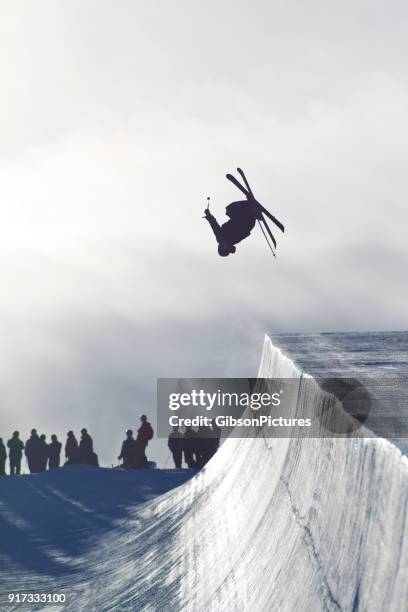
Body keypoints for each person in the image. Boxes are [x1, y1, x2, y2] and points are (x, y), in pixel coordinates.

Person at [204, 169, 284, 257]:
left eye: (220, 246)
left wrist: (209, 216)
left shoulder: (220, 237)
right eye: (223, 247)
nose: (222, 245)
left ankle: (250, 207)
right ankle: (252, 210)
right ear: (227, 248)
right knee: (231, 210)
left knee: (229, 210)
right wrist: (253, 216)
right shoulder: (230, 239)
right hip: (245, 222)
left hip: (244, 220)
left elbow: (214, 225)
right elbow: (244, 233)